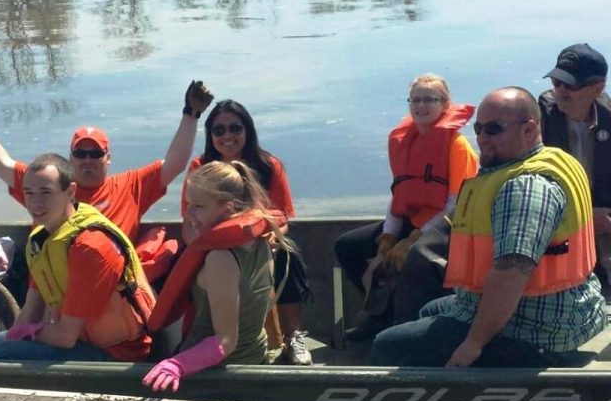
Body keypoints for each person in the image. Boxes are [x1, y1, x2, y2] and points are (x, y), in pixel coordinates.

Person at [370, 87, 607, 368]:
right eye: (479, 128)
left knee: (387, 346)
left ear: (529, 129)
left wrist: (473, 345)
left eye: (494, 129)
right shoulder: (540, 161)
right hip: (568, 307)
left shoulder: (524, 188)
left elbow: (512, 273)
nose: (482, 138)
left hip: (535, 329)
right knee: (429, 309)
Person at [0, 82, 213, 243]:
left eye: (95, 154)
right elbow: (0, 164)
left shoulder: (132, 185)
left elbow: (175, 164)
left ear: (108, 158)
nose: (88, 160)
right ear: (70, 158)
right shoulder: (48, 182)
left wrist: (191, 114)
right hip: (55, 286)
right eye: (81, 153)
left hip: (108, 285)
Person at [334, 74, 478, 340]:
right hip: (411, 223)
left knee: (413, 258)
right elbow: (399, 194)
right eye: (415, 100)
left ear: (445, 105)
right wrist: (388, 237)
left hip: (446, 228)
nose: (421, 106)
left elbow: (455, 205)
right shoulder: (403, 141)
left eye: (429, 100)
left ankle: (406, 329)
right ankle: (380, 316)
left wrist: (414, 238)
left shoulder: (457, 146)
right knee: (348, 246)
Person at [0, 153, 156, 362]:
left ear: (71, 192)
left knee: (3, 353)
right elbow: (31, 310)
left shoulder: (89, 247)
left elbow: (65, 337)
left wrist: (28, 333)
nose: (35, 203)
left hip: (119, 353)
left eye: (46, 193)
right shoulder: (44, 240)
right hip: (80, 339)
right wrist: (17, 333)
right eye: (29, 193)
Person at [181, 99, 311, 365]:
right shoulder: (200, 166)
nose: (227, 136)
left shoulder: (268, 165)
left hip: (258, 243)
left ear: (247, 130)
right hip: (212, 246)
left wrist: (269, 237)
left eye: (235, 128)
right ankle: (183, 335)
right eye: (219, 130)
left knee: (290, 255)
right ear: (210, 134)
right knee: (182, 268)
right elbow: (189, 222)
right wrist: (207, 247)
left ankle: (291, 336)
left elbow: (282, 218)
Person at [144, 161, 289, 392]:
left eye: (199, 206)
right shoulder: (261, 241)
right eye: (189, 204)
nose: (189, 214)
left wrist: (177, 365)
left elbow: (226, 341)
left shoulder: (220, 259)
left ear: (228, 208)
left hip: (218, 374)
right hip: (255, 358)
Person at [538, 43, 611, 295]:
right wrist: (584, 219)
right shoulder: (539, 119)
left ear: (598, 88)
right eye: (557, 82)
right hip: (556, 225)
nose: (560, 90)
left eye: (571, 85)